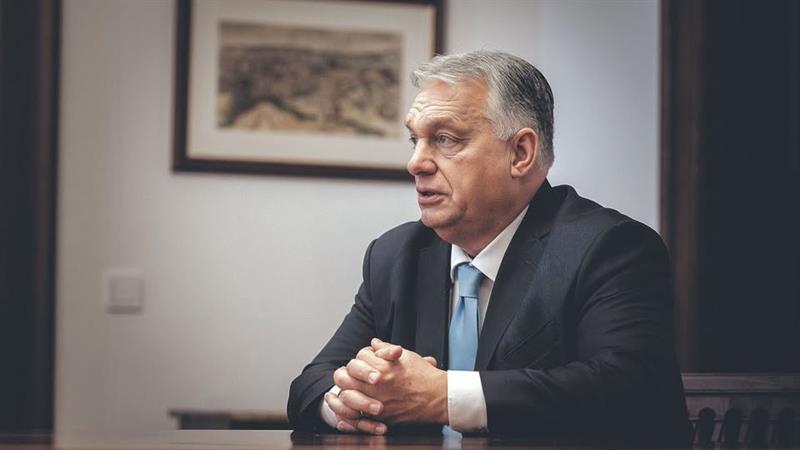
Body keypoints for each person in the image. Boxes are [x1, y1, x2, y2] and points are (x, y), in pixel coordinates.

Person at [287, 50, 689, 445]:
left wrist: (443, 396)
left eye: (444, 139)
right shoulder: (395, 254)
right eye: (415, 140)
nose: (416, 163)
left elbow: (630, 389)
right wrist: (349, 403)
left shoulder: (608, 247)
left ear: (520, 153)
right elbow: (310, 384)